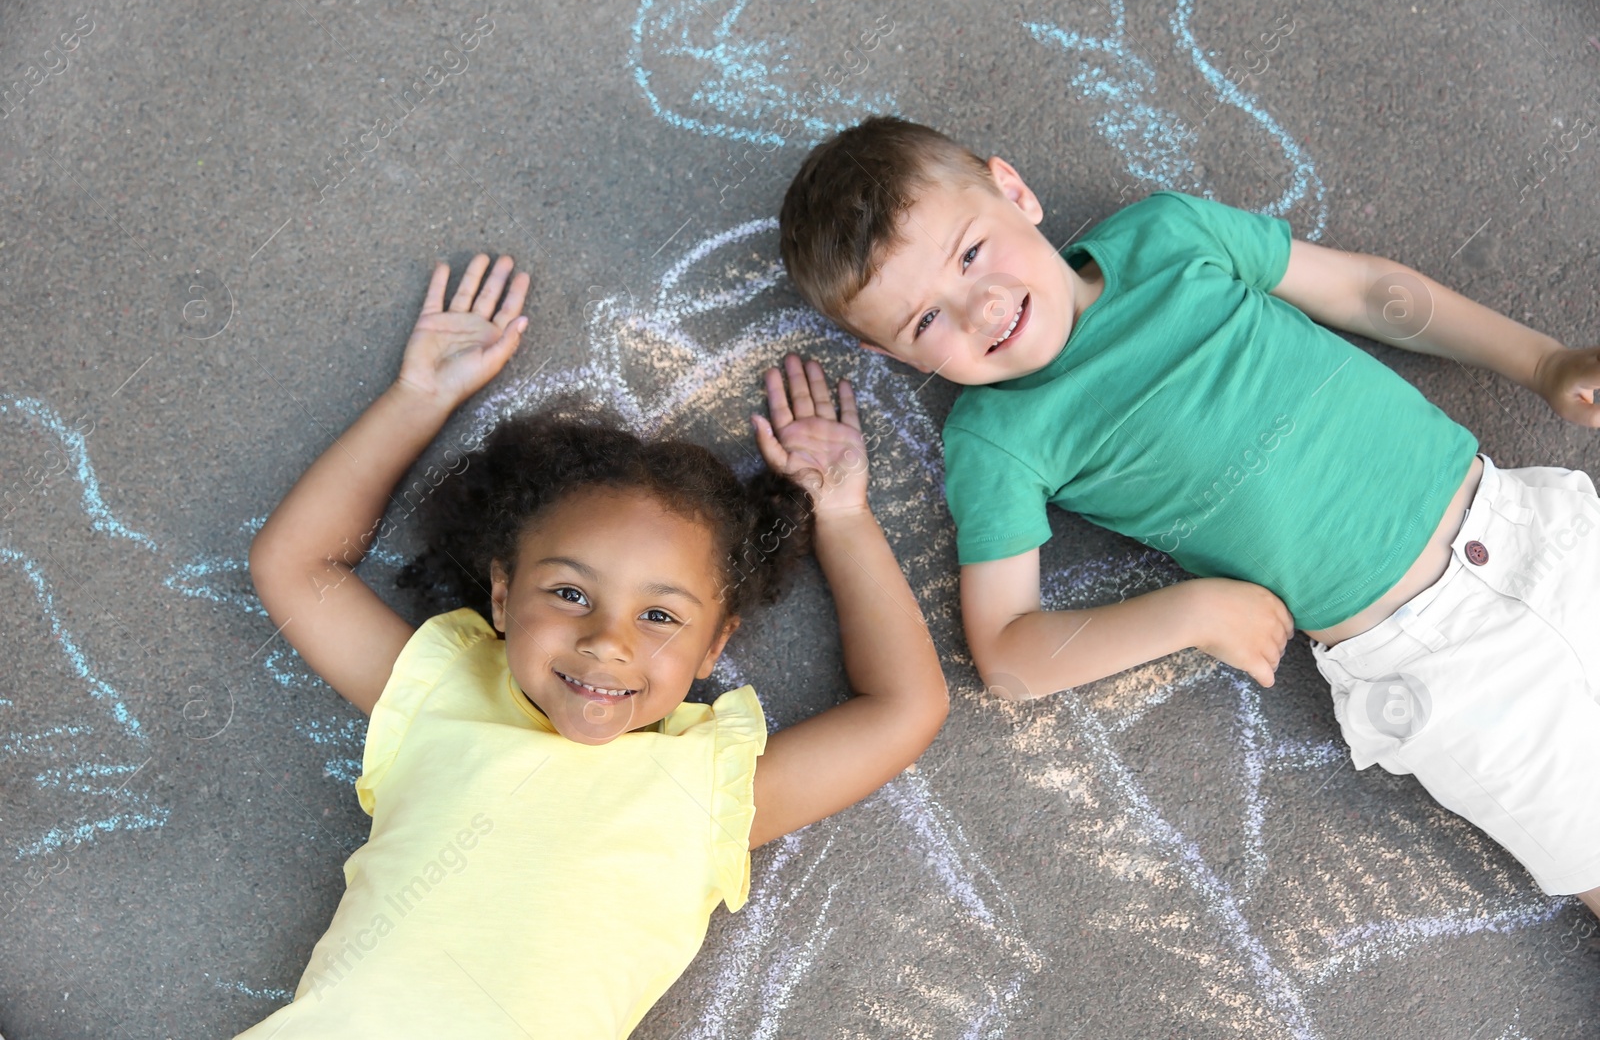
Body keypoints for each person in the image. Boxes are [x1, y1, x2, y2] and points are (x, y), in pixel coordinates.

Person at [778, 116, 1600, 912]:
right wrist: (1190, 611)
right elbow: (1006, 652)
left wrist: (1541, 359)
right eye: (925, 320)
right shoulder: (997, 439)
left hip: (1530, 520)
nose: (978, 307)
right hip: (1441, 667)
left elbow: (1360, 289)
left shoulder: (1167, 235)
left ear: (1012, 190)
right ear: (894, 355)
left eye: (971, 252)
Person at [237, 252, 948, 1038]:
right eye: (570, 593)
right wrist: (420, 395)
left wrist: (843, 517)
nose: (607, 640)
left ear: (715, 645)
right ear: (503, 595)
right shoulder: (448, 691)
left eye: (661, 617)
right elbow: (293, 566)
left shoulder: (701, 785)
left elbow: (904, 708)